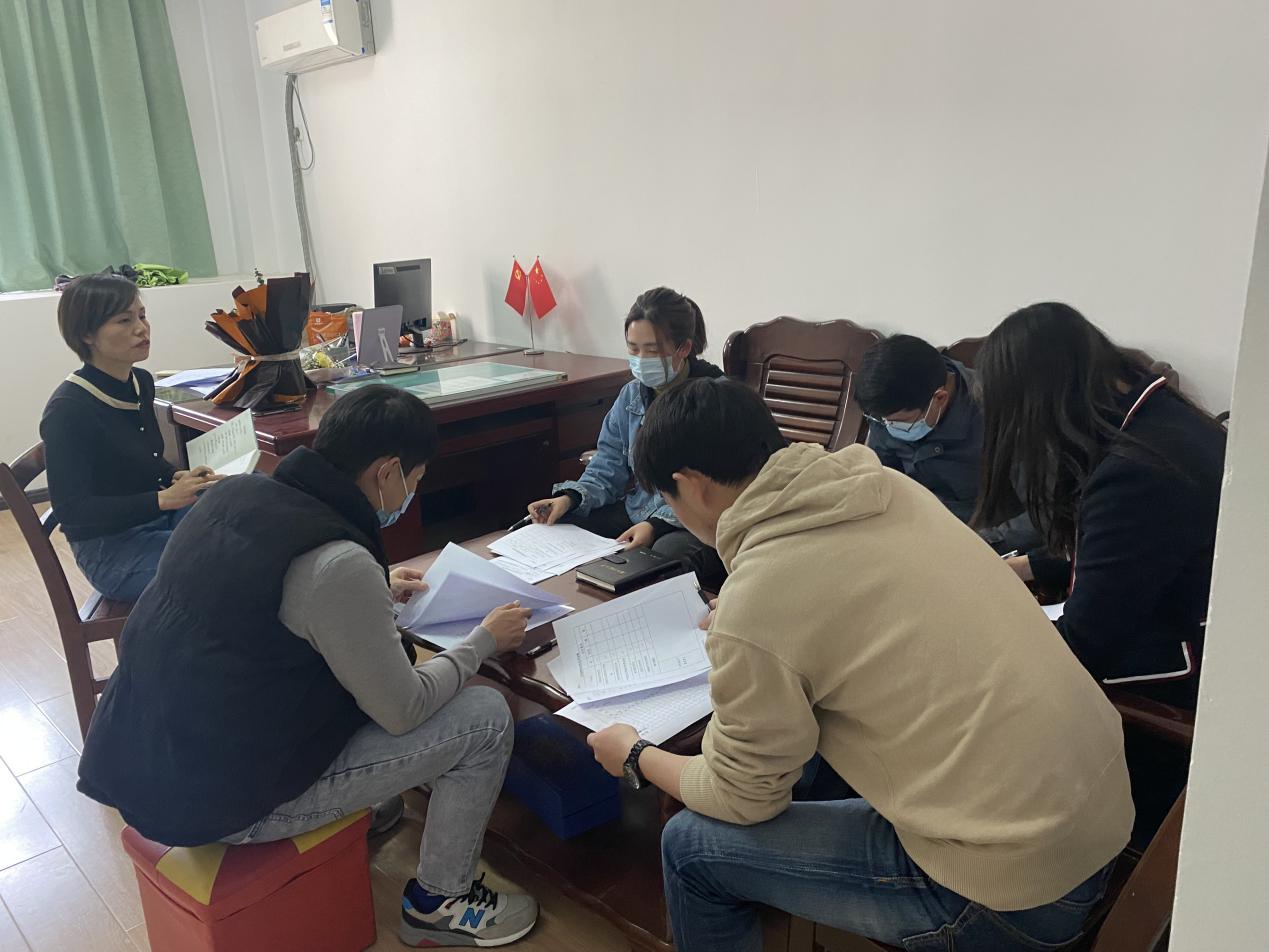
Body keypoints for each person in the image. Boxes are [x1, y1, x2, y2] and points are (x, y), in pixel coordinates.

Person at [587, 378, 1133, 952]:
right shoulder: (882, 486)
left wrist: (636, 756)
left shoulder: (763, 597)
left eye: (668, 499)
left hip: (1009, 889)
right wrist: (755, 613)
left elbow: (742, 797)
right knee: (809, 759)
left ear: (691, 486)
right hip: (1098, 817)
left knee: (689, 846)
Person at [77, 386, 541, 949]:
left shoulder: (238, 495)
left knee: (351, 676)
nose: (411, 492)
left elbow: (261, 604)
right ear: (387, 471)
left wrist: (374, 587)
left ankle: (358, 814)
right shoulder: (336, 563)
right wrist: (483, 641)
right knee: (484, 715)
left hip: (143, 763)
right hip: (224, 804)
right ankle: (442, 901)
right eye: (415, 479)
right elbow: (405, 709)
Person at [974, 303, 1226, 708]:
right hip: (1181, 616)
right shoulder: (1158, 413)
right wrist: (1022, 567)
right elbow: (1122, 555)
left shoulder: (1135, 475)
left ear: (1040, 403)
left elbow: (1084, 649)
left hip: (1170, 675)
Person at [524, 287, 726, 586]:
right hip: (636, 511)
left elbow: (713, 489)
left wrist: (656, 525)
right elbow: (607, 464)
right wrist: (570, 498)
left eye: (652, 351)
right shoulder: (631, 395)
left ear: (683, 348)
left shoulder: (715, 399)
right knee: (553, 526)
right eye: (633, 349)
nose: (641, 359)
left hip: (696, 523)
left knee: (656, 562)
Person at [40, 273, 221, 601]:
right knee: (230, 560)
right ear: (87, 334)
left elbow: (143, 457)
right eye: (124, 320)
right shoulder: (69, 408)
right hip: (112, 551)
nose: (142, 328)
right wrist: (163, 499)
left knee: (245, 498)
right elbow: (72, 510)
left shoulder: (141, 381)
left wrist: (174, 476)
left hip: (157, 519)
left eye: (142, 315)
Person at [855, 334, 1038, 554]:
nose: (888, 428)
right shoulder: (889, 408)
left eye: (900, 422)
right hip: (914, 531)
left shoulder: (1004, 414)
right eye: (881, 421)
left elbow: (1040, 516)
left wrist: (972, 546)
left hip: (984, 542)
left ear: (939, 398)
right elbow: (882, 480)